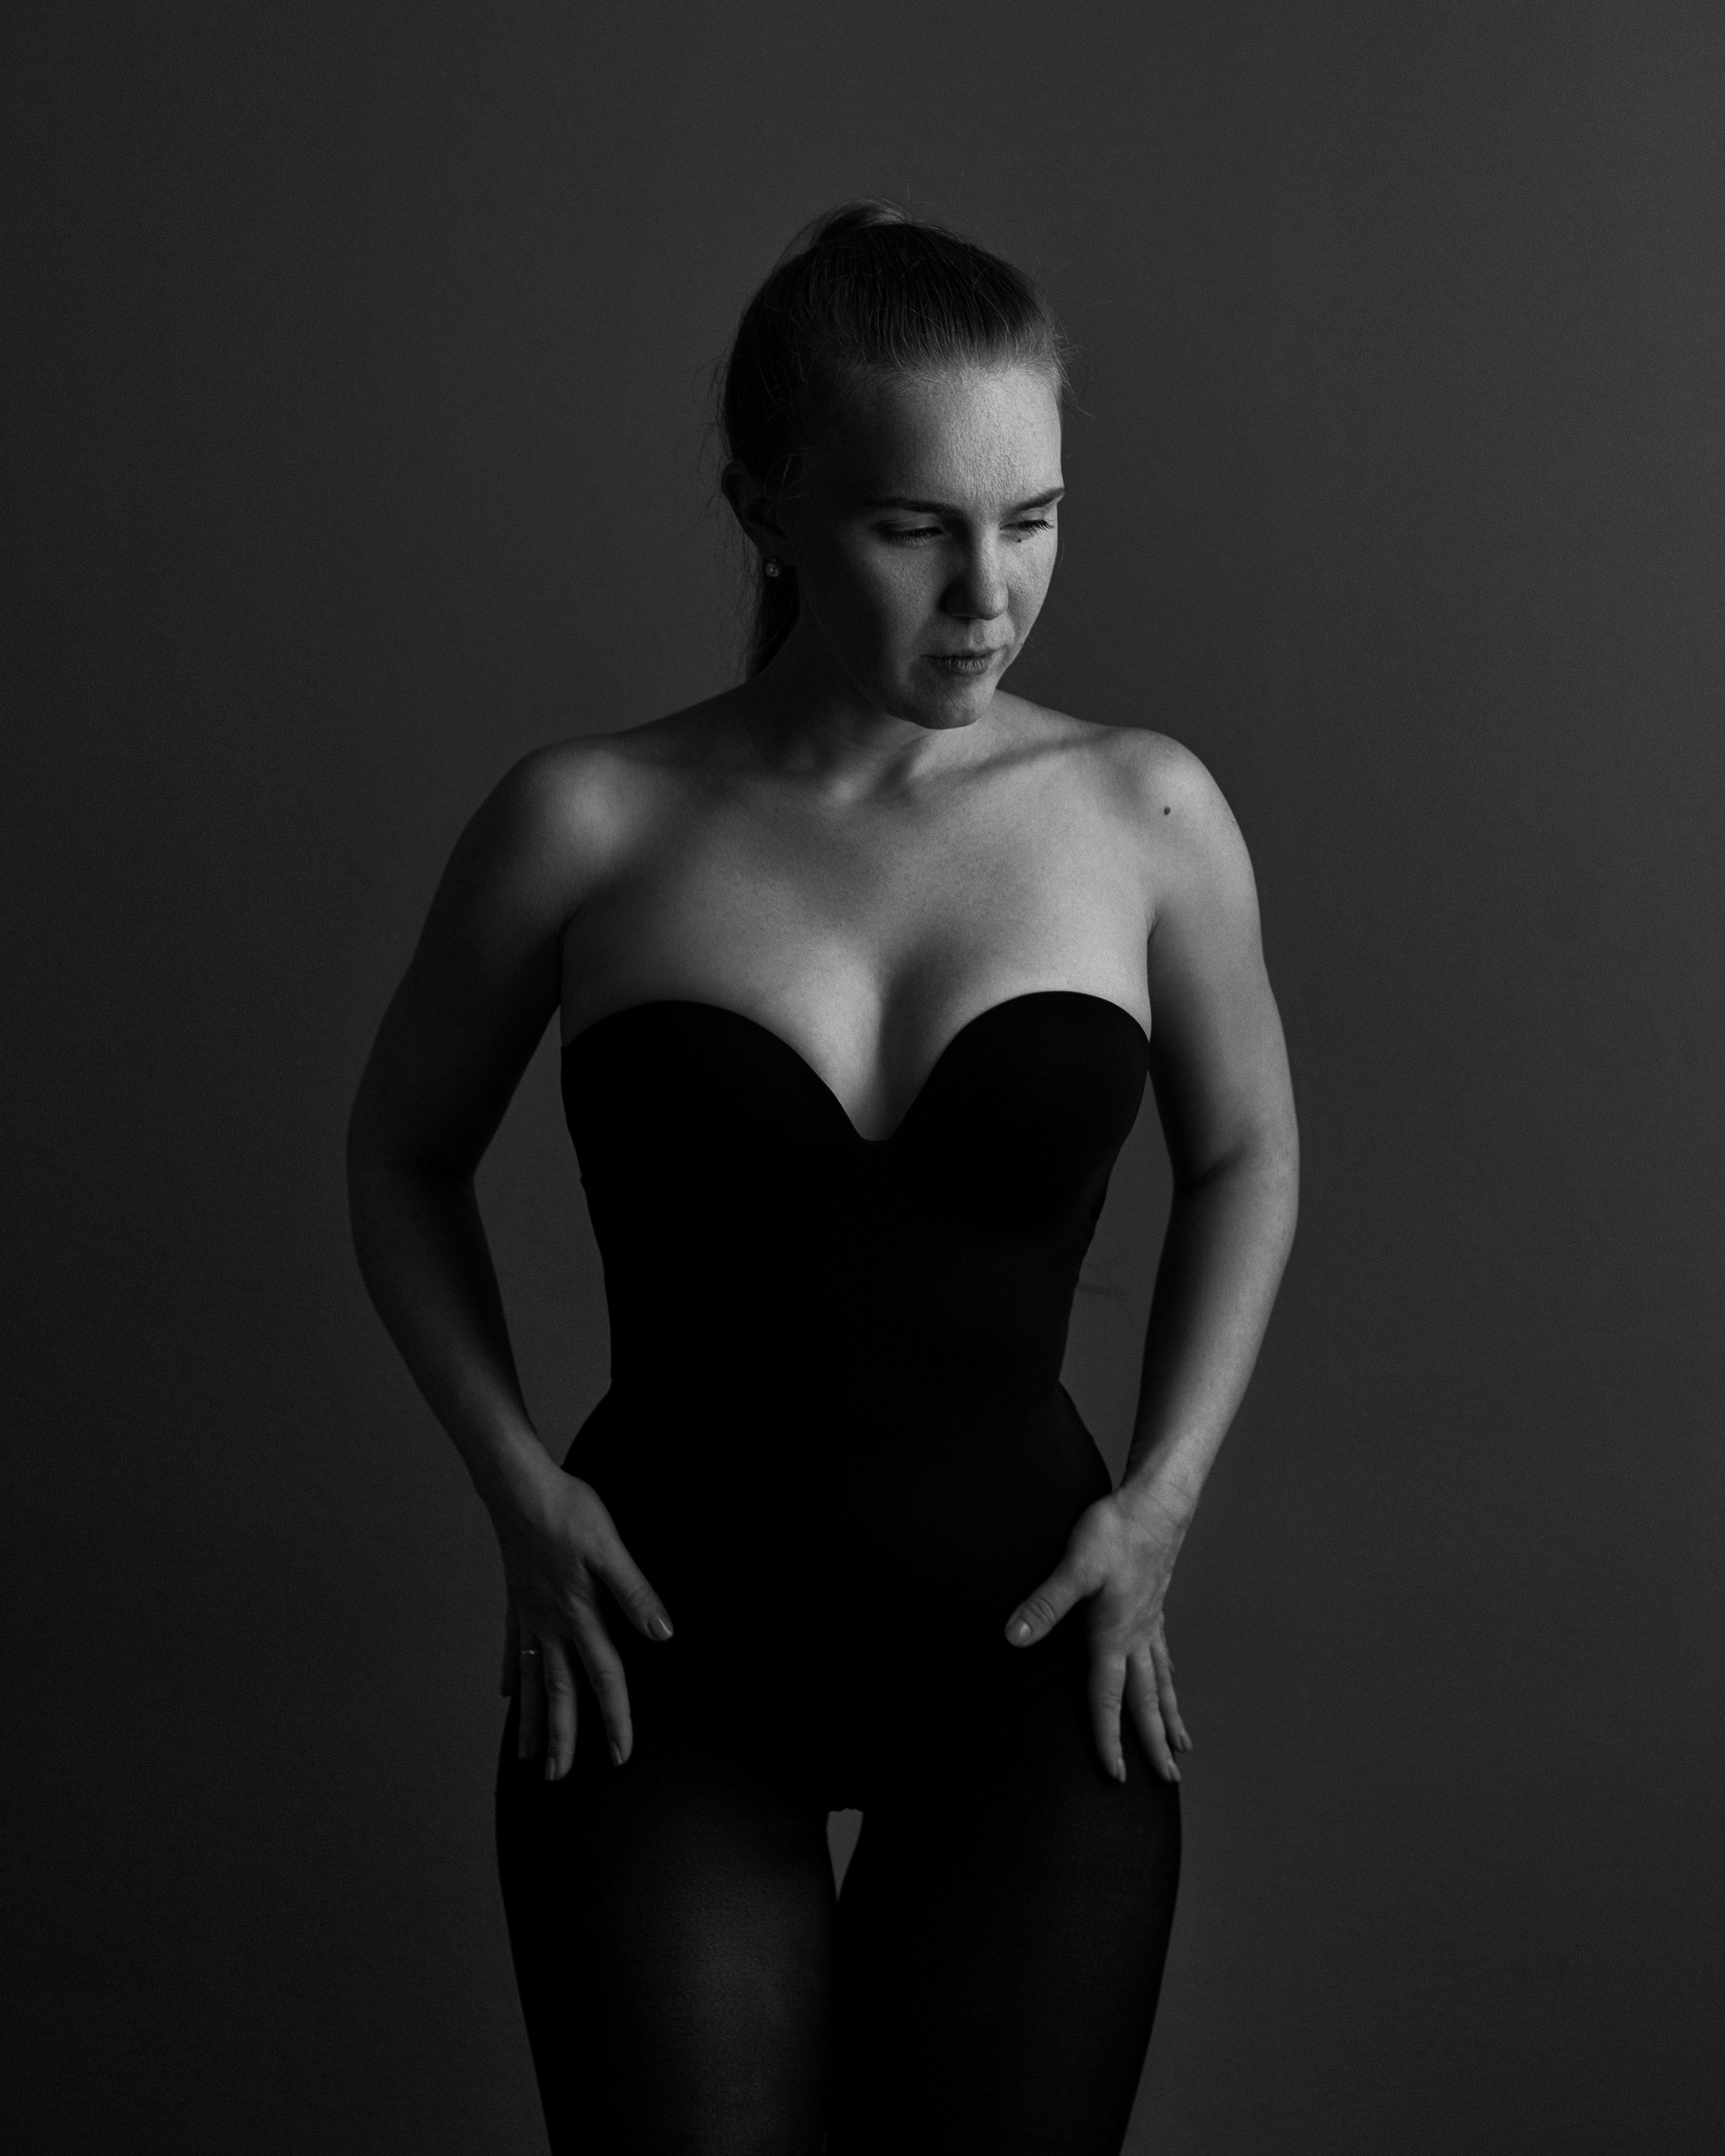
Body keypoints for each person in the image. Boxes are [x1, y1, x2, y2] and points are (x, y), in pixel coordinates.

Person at [347, 201, 1299, 2156]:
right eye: (914, 526)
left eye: (1033, 517)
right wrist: (519, 1489)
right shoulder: (585, 821)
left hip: (1034, 1668)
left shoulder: (1146, 811)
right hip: (657, 1670)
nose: (989, 592)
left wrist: (1166, 1496)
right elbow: (401, 1150)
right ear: (765, 510)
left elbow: (1247, 1147)